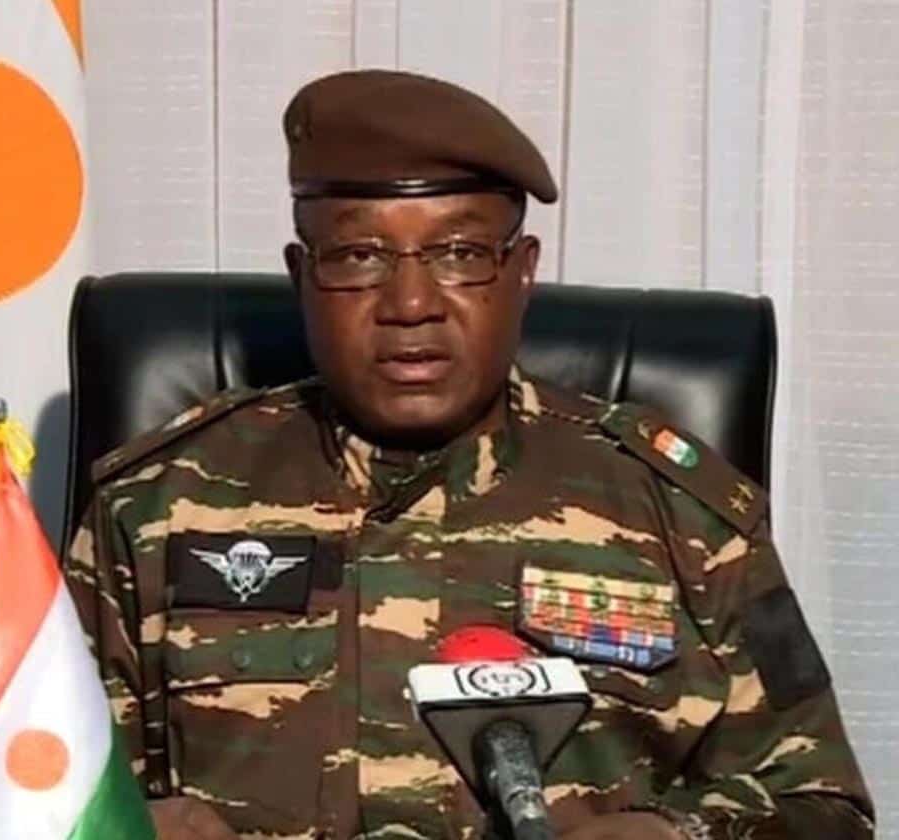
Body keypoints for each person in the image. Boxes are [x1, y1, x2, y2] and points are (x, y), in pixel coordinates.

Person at [65, 70, 873, 840]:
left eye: (459, 253)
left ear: (523, 272)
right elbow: (27, 781)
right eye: (359, 257)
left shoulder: (684, 518)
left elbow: (823, 806)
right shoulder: (155, 506)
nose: (411, 305)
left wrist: (678, 832)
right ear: (301, 276)